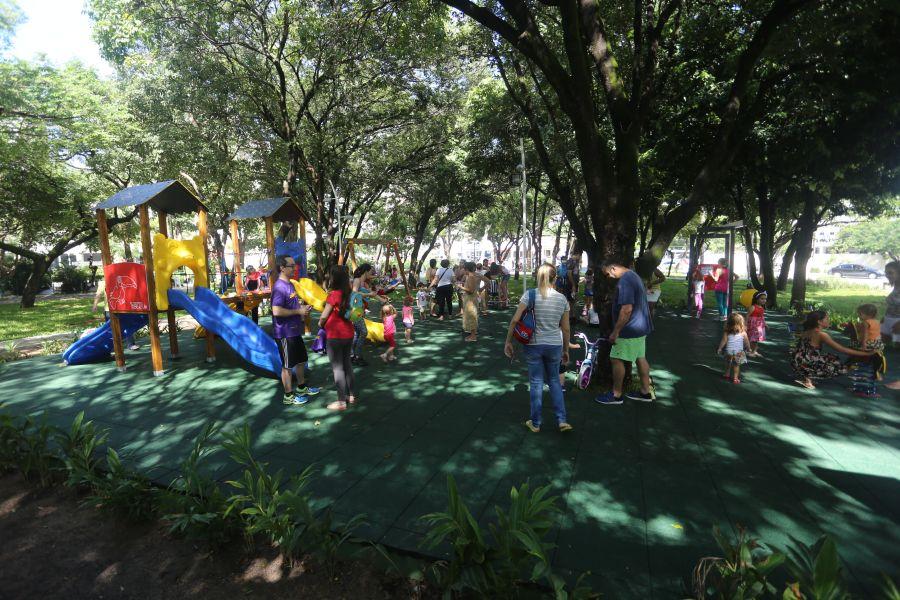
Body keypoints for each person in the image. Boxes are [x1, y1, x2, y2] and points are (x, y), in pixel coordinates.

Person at [503, 263, 572, 433]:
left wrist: (508, 341)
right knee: (555, 381)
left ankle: (535, 423)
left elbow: (514, 320)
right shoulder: (561, 299)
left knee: (536, 383)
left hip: (533, 344)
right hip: (554, 345)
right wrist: (566, 350)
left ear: (537, 277)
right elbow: (566, 328)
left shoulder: (530, 295)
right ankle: (562, 420)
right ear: (555, 278)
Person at [595, 261, 654, 404]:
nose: (608, 277)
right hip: (641, 326)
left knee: (616, 359)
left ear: (614, 268)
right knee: (641, 357)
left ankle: (616, 395)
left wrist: (616, 331)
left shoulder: (625, 281)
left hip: (629, 329)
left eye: (608, 273)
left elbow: (626, 309)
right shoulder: (634, 276)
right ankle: (645, 392)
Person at [271, 255, 320, 405]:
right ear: (282, 268)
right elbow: (276, 311)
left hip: (294, 331)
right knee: (287, 366)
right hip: (284, 333)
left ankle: (301, 387)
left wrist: (301, 308)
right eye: (291, 265)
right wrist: (297, 312)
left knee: (301, 360)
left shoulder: (290, 284)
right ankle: (288, 396)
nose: (295, 268)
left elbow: (291, 305)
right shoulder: (279, 287)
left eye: (294, 265)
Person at [790, 310, 873, 389]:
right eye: (827, 319)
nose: (829, 320)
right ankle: (808, 380)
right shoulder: (821, 334)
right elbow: (841, 349)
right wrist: (866, 354)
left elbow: (801, 349)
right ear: (819, 322)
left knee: (819, 357)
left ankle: (807, 378)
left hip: (796, 360)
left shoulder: (807, 331)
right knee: (835, 362)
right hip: (805, 362)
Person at [317, 265, 356, 411]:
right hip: (349, 333)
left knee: (337, 368)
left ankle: (341, 402)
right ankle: (351, 395)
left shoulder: (333, 295)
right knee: (347, 365)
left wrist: (321, 324)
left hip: (335, 335)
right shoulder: (350, 294)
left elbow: (324, 316)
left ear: (334, 279)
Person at [350, 264, 388, 366]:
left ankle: (352, 355)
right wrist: (368, 295)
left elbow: (371, 294)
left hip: (359, 310)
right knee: (363, 332)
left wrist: (382, 299)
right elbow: (354, 294)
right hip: (355, 310)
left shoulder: (363, 282)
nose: (371, 274)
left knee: (358, 333)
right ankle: (357, 356)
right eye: (370, 272)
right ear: (365, 271)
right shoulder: (357, 280)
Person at [92, 277, 139, 350]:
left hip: (122, 308)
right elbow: (98, 295)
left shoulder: (119, 278)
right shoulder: (103, 283)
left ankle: (131, 344)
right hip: (110, 309)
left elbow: (129, 287)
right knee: (111, 329)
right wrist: (95, 305)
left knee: (127, 325)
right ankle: (113, 347)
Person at [717, 313, 751, 384]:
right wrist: (749, 348)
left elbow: (723, 341)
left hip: (729, 351)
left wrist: (720, 348)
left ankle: (727, 374)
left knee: (728, 363)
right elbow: (747, 342)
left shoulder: (727, 332)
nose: (735, 327)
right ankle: (735, 378)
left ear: (729, 324)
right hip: (738, 352)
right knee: (736, 365)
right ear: (741, 324)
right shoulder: (743, 333)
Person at [459, 262, 488, 342]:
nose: (463, 270)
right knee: (471, 315)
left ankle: (473, 336)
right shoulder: (476, 275)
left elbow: (470, 290)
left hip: (471, 298)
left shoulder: (471, 276)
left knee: (472, 316)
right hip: (472, 297)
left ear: (467, 269)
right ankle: (472, 332)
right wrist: (481, 288)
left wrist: (461, 287)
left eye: (464, 269)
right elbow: (488, 281)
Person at [882, 260, 900, 347]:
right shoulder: (896, 285)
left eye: (890, 272)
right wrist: (883, 319)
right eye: (886, 273)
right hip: (888, 320)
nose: (887, 275)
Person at [747, 291, 767, 356]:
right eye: (762, 299)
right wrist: (744, 324)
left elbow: (762, 317)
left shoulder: (762, 308)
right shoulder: (753, 307)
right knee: (752, 339)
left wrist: (765, 324)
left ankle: (754, 351)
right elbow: (747, 316)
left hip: (759, 326)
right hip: (752, 326)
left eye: (765, 299)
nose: (764, 300)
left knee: (756, 339)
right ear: (757, 299)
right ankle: (750, 351)